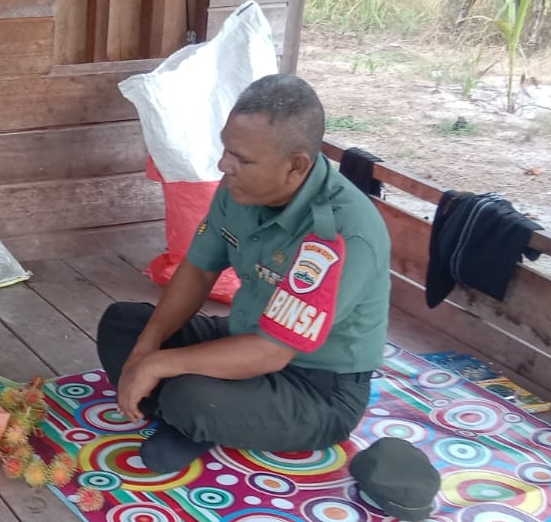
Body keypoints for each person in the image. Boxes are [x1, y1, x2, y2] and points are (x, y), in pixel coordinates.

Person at [96, 74, 390, 474]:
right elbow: (198, 271)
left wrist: (157, 366)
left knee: (189, 394)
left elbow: (272, 351)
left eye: (242, 159)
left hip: (315, 387)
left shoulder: (341, 232)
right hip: (244, 337)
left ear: (296, 166)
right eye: (226, 149)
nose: (224, 165)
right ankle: (203, 419)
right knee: (124, 324)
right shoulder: (240, 189)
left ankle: (193, 416)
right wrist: (148, 349)